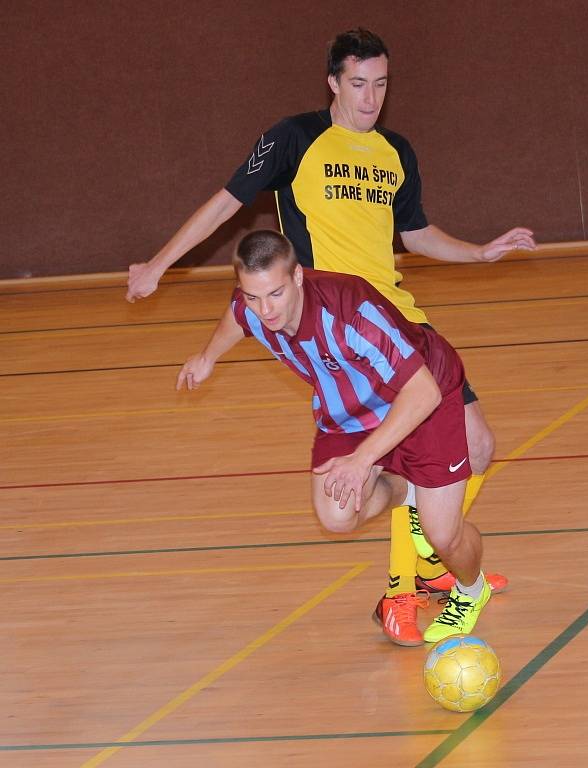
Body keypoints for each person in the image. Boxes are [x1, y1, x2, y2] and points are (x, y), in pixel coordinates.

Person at [126, 28, 536, 646]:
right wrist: (160, 264)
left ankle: (429, 563)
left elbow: (416, 233)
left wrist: (478, 253)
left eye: (381, 84)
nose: (371, 98)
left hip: (396, 321)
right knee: (398, 458)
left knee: (476, 447)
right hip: (336, 330)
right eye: (358, 84)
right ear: (333, 83)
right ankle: (403, 587)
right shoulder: (295, 137)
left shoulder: (396, 151)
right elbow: (227, 202)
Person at [178, 229, 492, 644]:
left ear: (298, 278)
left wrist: (364, 460)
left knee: (443, 535)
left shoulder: (350, 312)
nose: (265, 310)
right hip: (350, 405)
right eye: (253, 296)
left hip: (421, 392)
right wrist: (207, 357)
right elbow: (236, 319)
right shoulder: (251, 305)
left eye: (274, 294)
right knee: (336, 513)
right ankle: (413, 493)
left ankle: (472, 591)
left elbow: (423, 393)